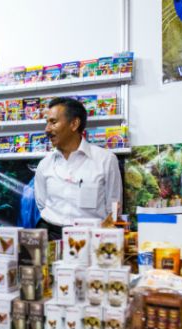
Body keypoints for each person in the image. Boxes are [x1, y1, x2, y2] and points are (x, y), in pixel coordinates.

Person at [34, 97, 123, 240]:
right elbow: (42, 204)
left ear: (74, 124)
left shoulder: (105, 160)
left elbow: (113, 208)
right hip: (51, 237)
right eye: (47, 123)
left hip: (91, 238)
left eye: (53, 122)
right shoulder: (45, 164)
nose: (47, 129)